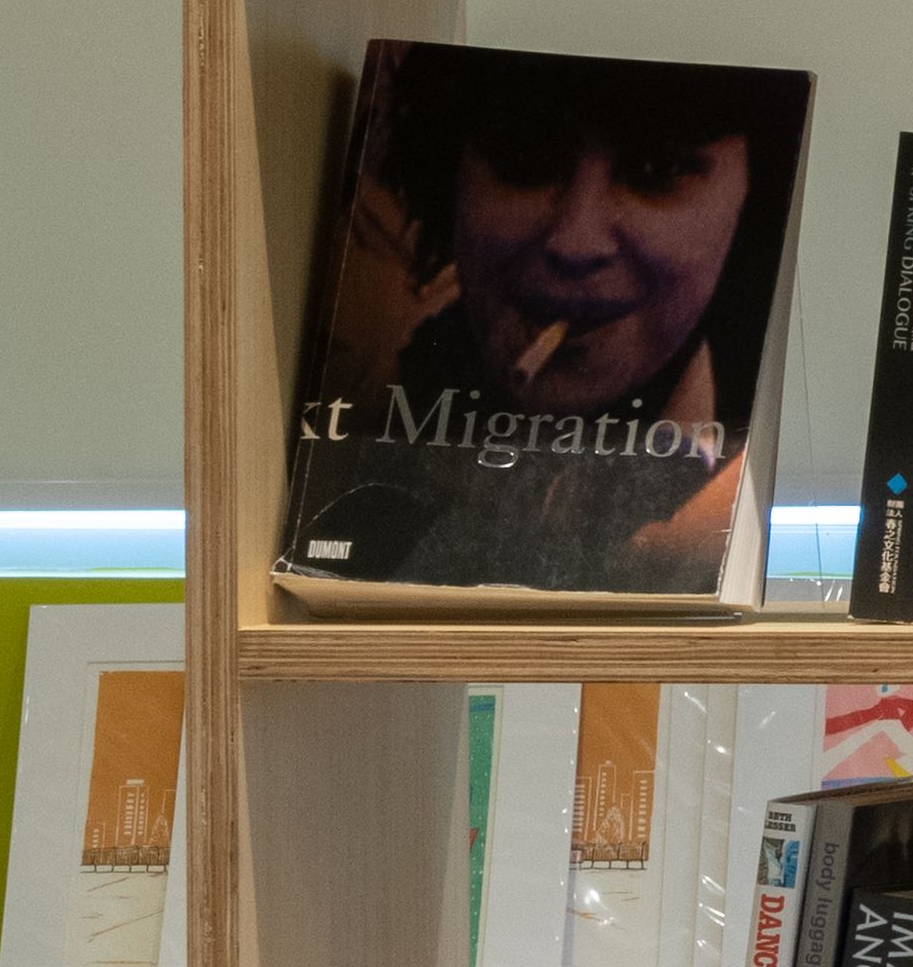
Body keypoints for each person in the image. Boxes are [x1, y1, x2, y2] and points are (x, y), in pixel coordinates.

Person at [282, 58, 779, 598]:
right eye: (525, 160)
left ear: (751, 197)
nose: (575, 241)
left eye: (653, 172)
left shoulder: (759, 476)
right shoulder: (361, 444)